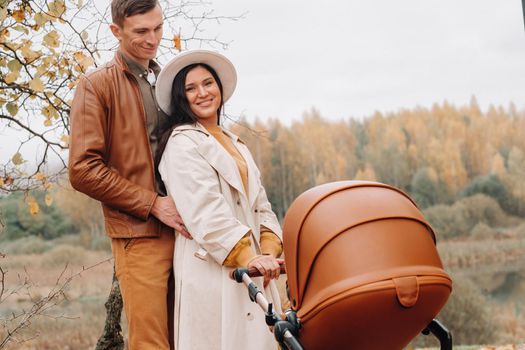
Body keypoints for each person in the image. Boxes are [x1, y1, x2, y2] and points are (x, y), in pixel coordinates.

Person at [68, 1, 190, 349]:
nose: (153, 39)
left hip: (188, 230)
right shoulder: (95, 85)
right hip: (139, 236)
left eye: (158, 28)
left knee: (189, 336)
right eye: (140, 32)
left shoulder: (169, 79)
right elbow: (82, 169)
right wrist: (153, 204)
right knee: (151, 344)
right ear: (116, 31)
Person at [155, 50, 284, 350]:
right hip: (212, 268)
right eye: (191, 88)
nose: (202, 93)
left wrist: (267, 252)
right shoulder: (181, 143)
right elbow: (204, 212)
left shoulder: (235, 143)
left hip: (255, 269)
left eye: (208, 83)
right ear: (180, 97)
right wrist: (248, 257)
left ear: (220, 88)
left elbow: (261, 206)